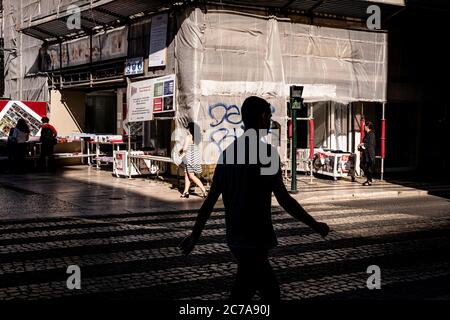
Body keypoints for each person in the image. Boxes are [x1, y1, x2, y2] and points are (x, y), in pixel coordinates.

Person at [179, 96, 330, 301]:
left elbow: (210, 200)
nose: (269, 122)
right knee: (268, 293)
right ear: (262, 117)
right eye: (268, 116)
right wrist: (315, 225)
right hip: (256, 239)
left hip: (236, 239)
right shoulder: (267, 154)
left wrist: (195, 235)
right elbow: (285, 200)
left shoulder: (227, 154)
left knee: (245, 290)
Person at [179, 122, 207, 198]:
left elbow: (185, 149)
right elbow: (192, 146)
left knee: (191, 176)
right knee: (187, 175)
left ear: (190, 129)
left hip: (189, 159)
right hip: (195, 158)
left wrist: (181, 152)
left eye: (188, 128)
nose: (187, 130)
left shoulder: (189, 137)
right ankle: (185, 192)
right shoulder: (198, 137)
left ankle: (204, 190)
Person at [358, 121, 376, 186]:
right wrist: (360, 147)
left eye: (365, 126)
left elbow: (370, 145)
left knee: (368, 167)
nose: (364, 127)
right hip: (365, 154)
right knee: (362, 165)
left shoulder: (371, 134)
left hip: (369, 154)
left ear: (367, 126)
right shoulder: (367, 134)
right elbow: (365, 145)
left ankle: (369, 180)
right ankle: (369, 179)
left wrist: (363, 144)